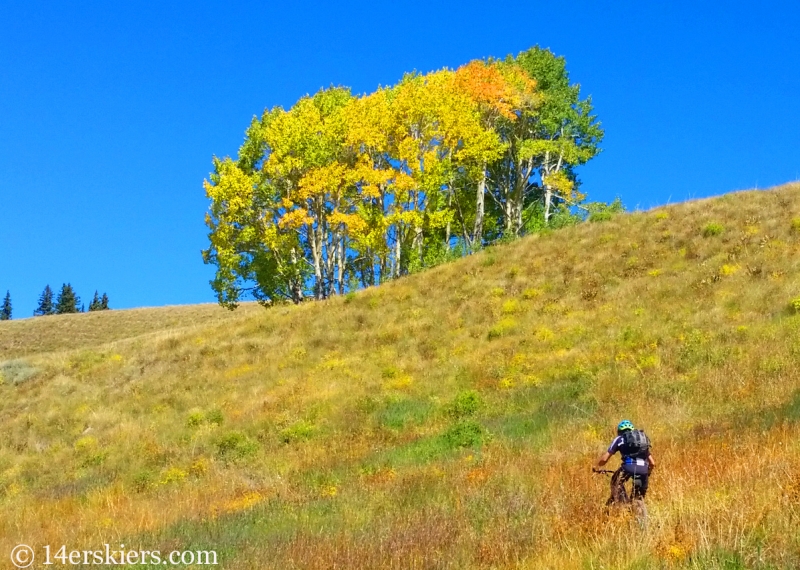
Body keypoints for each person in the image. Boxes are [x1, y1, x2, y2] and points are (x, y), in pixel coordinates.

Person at [593, 420, 655, 499]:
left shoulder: (619, 439)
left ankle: (623, 504)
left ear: (619, 432)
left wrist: (597, 466)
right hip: (643, 470)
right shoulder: (640, 440)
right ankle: (638, 507)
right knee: (638, 497)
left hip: (628, 468)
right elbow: (652, 463)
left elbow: (605, 459)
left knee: (615, 482)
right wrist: (648, 473)